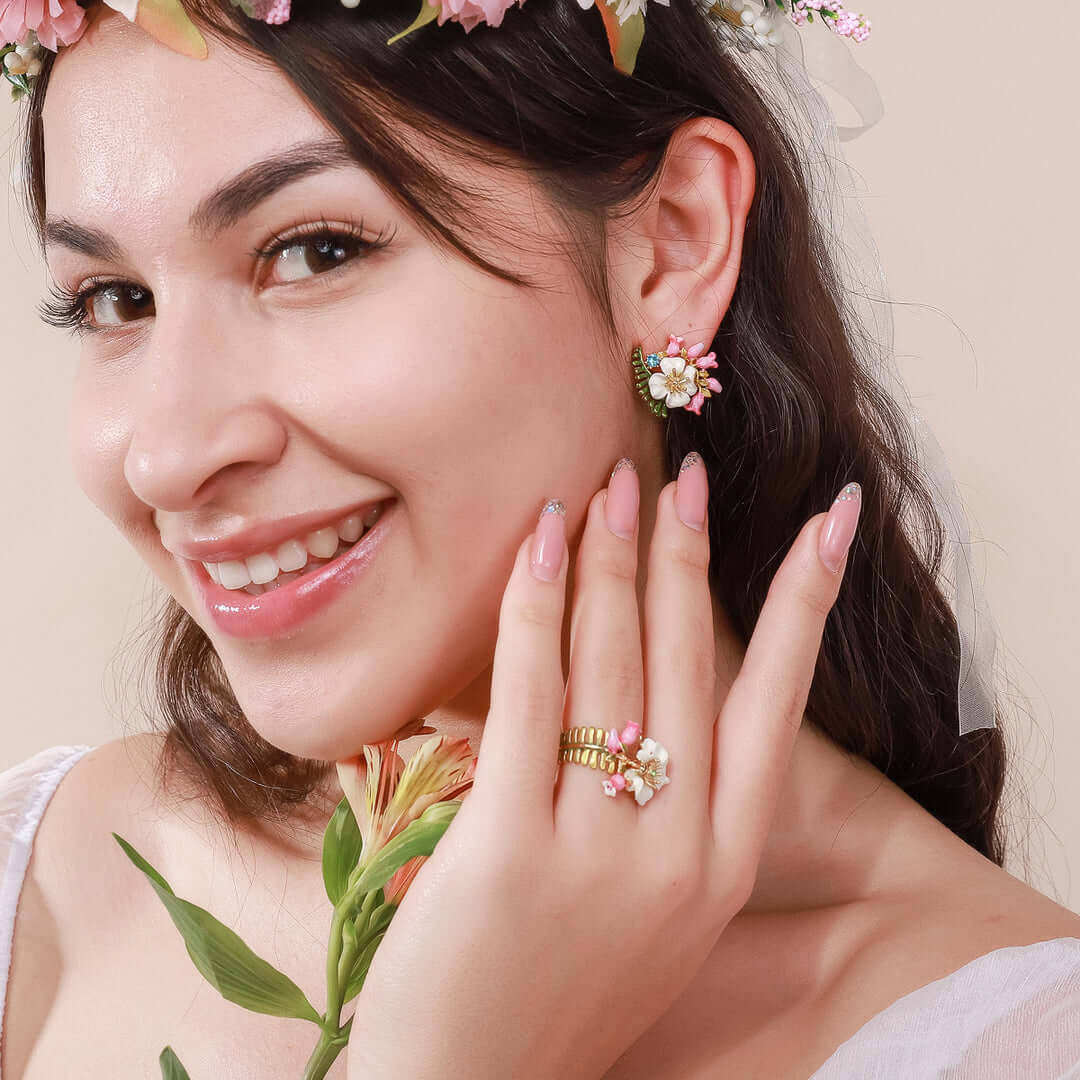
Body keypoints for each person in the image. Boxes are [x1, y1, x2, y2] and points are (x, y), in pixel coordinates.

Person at [1, 0, 1079, 1075]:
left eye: (315, 251)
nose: (167, 456)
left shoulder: (1019, 1038)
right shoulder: (47, 890)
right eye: (112, 301)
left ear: (671, 244)